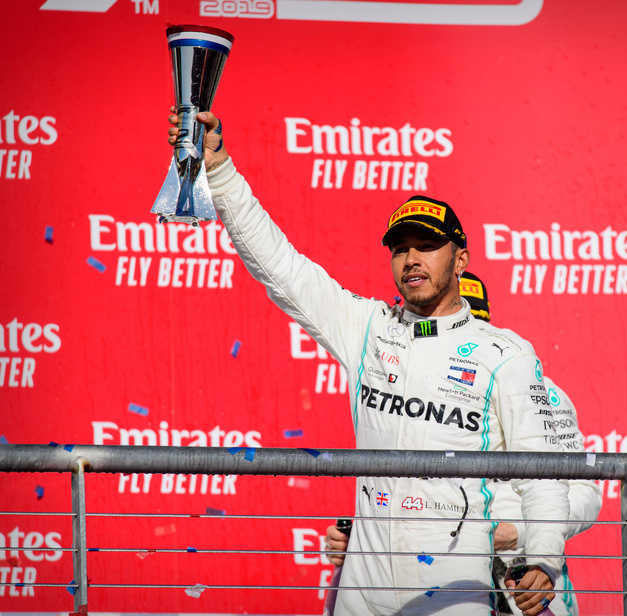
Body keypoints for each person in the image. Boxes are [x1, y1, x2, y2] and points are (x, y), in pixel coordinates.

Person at [166, 110, 568, 616]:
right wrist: (220, 169)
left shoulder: (506, 353)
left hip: (452, 594)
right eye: (400, 249)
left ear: (461, 260)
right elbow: (280, 266)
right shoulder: (369, 328)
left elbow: (544, 473)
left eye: (427, 247)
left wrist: (545, 560)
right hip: (363, 592)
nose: (411, 259)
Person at [328, 273, 603, 616]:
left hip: (520, 577)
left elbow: (585, 494)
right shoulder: (413, 394)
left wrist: (518, 532)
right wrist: (358, 539)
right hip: (440, 576)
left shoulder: (540, 392)